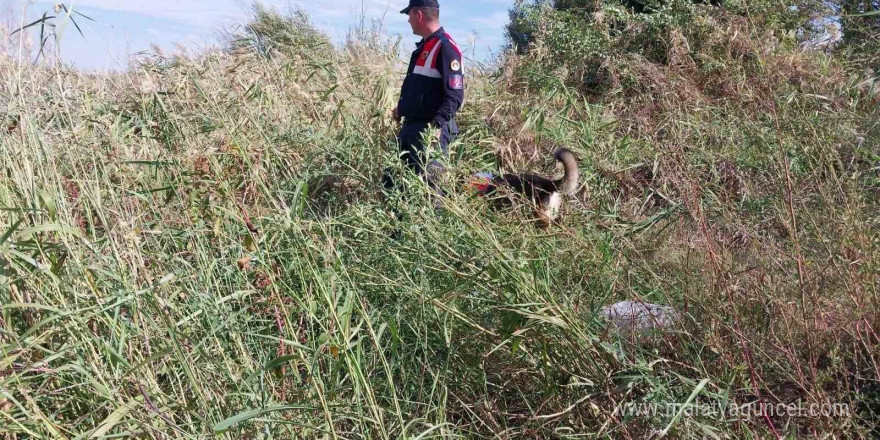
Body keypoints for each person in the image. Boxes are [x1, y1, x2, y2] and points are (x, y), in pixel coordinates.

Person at [386, 0, 464, 192]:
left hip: (430, 132)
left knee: (430, 193)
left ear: (418, 15)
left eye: (409, 16)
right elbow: (422, 89)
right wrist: (401, 109)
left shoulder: (446, 48)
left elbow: (455, 96)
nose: (408, 21)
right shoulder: (425, 46)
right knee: (393, 186)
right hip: (411, 129)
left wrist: (435, 127)